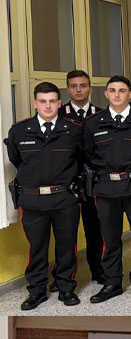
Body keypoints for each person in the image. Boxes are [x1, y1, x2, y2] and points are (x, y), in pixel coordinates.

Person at [6, 82, 83, 310]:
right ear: (35, 103)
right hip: (32, 199)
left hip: (64, 198)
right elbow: (17, 160)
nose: (47, 106)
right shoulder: (19, 131)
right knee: (37, 247)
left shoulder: (74, 129)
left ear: (59, 103)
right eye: (42, 101)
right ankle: (37, 291)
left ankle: (66, 288)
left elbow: (81, 160)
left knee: (66, 246)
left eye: (52, 101)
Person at [82, 75, 131, 304]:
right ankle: (112, 281)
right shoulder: (93, 123)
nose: (117, 94)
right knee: (109, 238)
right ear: (105, 94)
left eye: (122, 90)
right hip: (105, 188)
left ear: (130, 94)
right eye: (112, 90)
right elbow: (87, 154)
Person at [62, 69, 104, 285]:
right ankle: (64, 277)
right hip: (66, 182)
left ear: (90, 88)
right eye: (74, 86)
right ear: (67, 88)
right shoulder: (58, 114)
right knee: (66, 234)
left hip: (94, 182)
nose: (78, 90)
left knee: (95, 230)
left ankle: (99, 271)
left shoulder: (101, 114)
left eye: (83, 85)